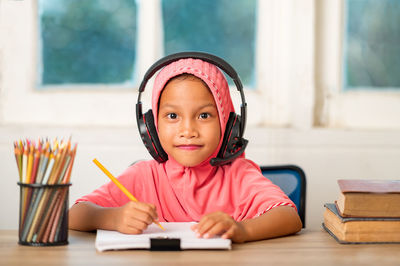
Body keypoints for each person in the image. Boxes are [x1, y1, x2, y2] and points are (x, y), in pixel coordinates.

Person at [69, 55, 302, 243]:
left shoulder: (239, 175)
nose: (188, 130)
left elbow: (289, 217)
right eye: (172, 116)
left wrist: (242, 230)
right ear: (151, 127)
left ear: (228, 125)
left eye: (204, 115)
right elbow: (75, 214)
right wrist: (112, 217)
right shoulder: (144, 175)